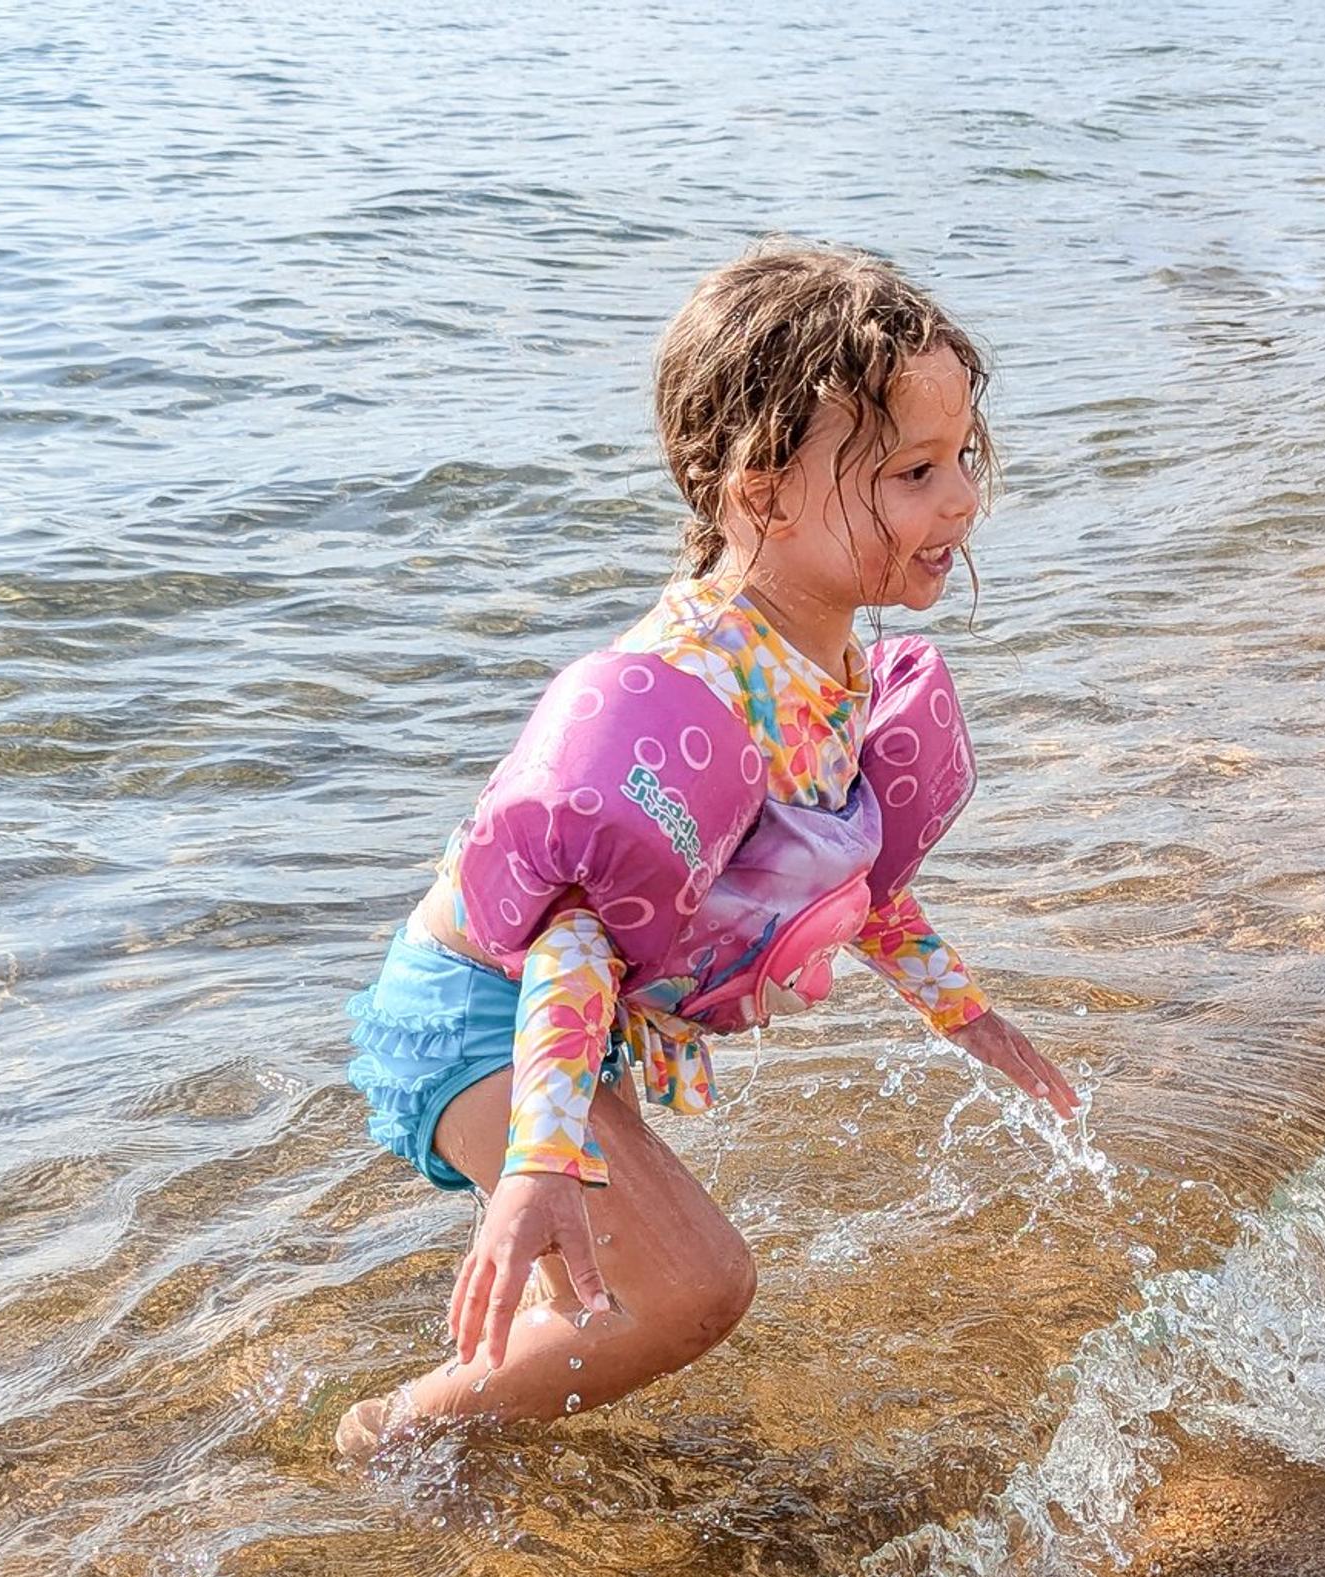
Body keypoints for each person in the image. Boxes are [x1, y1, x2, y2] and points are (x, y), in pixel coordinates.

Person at [335, 241, 1076, 1459]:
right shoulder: (701, 681)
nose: (960, 503)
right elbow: (576, 926)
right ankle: (396, 1438)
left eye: (963, 461)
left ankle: (499, 1421)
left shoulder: (823, 654)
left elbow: (835, 859)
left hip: (556, 1025)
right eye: (912, 473)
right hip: (485, 1010)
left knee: (630, 1285)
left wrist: (967, 1015)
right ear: (761, 495)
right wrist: (542, 1157)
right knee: (694, 1291)